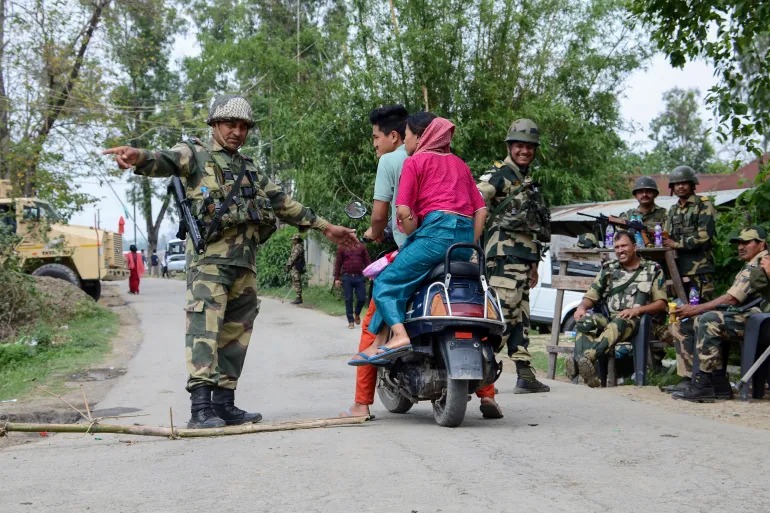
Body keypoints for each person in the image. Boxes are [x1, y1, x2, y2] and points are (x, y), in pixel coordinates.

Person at [103, 94, 357, 429]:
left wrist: (326, 227)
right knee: (204, 329)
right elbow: (164, 160)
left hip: (245, 264)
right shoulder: (194, 154)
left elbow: (283, 203)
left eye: (243, 127)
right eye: (230, 125)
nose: (237, 132)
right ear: (214, 125)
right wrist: (137, 157)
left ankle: (224, 404)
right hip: (210, 262)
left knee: (236, 333)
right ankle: (200, 409)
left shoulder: (249, 168)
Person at [350, 113, 487, 363]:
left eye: (408, 136)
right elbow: (481, 210)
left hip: (434, 237)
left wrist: (414, 231)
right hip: (463, 243)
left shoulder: (415, 162)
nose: (406, 142)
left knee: (385, 282)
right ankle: (379, 344)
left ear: (421, 137)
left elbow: (403, 211)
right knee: (402, 278)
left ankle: (400, 335)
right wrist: (470, 245)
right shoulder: (461, 164)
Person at [341, 104, 409, 420]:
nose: (374, 144)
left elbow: (380, 214)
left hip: (409, 251)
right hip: (450, 249)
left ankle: (361, 403)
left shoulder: (390, 161)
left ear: (394, 136)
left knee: (373, 319)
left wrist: (375, 231)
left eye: (375, 137)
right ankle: (488, 396)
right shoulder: (436, 159)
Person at [476, 118, 552, 394]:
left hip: (523, 259)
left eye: (529, 147)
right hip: (503, 259)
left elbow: (531, 227)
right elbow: (476, 199)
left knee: (521, 317)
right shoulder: (499, 174)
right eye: (519, 145)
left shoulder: (526, 180)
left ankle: (524, 373)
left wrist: (533, 265)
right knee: (503, 317)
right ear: (510, 146)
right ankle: (475, 364)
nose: (524, 151)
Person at [672, 226, 769, 402]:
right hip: (752, 318)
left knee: (709, 320)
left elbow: (732, 299)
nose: (741, 247)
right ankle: (718, 383)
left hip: (761, 323)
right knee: (696, 320)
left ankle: (704, 383)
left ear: (761, 245)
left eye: (746, 242)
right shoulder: (752, 264)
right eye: (739, 243)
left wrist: (697, 308)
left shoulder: (759, 265)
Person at [566, 231, 668, 387]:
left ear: (634, 247)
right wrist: (581, 308)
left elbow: (661, 303)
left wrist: (637, 311)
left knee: (621, 320)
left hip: (635, 321)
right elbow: (591, 295)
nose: (620, 250)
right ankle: (589, 372)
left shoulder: (652, 269)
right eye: (617, 247)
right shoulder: (608, 269)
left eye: (624, 246)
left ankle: (584, 359)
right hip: (608, 317)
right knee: (584, 320)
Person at [662, 165, 717, 392]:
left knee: (703, 323)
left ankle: (708, 377)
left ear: (692, 184)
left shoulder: (704, 205)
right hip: (678, 275)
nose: (681, 186)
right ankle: (686, 376)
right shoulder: (672, 211)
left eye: (684, 182)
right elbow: (664, 238)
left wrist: (676, 244)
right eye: (676, 183)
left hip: (700, 274)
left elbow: (704, 237)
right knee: (681, 322)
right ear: (672, 188)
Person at [334, 241, 371, 329]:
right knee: (348, 299)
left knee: (362, 298)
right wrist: (336, 278)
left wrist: (370, 273)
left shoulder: (361, 246)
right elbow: (338, 263)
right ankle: (351, 321)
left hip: (359, 277)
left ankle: (357, 313)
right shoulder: (342, 247)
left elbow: (367, 260)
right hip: (347, 277)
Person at [286, 234, 305, 304]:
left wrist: (288, 266)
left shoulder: (298, 247)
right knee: (295, 281)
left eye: (293, 239)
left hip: (297, 266)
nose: (292, 241)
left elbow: (293, 257)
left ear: (297, 240)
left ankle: (299, 298)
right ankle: (298, 297)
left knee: (296, 281)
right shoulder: (295, 246)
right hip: (295, 266)